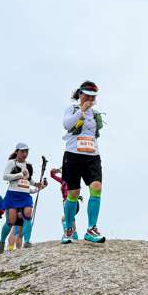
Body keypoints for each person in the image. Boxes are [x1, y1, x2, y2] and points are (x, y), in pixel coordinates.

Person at [61, 81, 106, 244]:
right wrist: (82, 110)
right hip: (73, 154)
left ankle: (91, 228)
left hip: (92, 154)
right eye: (87, 95)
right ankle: (68, 230)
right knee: (73, 193)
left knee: (96, 187)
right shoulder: (72, 108)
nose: (90, 98)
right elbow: (67, 124)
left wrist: (89, 110)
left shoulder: (95, 113)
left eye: (93, 96)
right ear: (80, 94)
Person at [2, 144, 47, 250]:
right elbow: (5, 176)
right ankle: (2, 241)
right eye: (22, 152)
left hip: (25, 195)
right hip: (13, 193)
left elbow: (29, 180)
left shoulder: (29, 165)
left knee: (28, 215)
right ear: (17, 152)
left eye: (26, 152)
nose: (25, 154)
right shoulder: (11, 163)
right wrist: (20, 175)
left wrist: (37, 184)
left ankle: (27, 242)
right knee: (11, 221)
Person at [50, 168, 80, 240]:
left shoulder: (72, 180)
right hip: (66, 202)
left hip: (71, 201)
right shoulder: (63, 181)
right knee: (71, 218)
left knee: (65, 218)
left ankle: (67, 234)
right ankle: (74, 234)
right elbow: (52, 175)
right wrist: (54, 171)